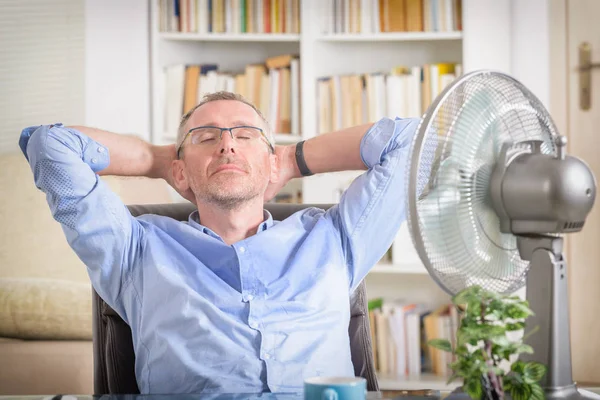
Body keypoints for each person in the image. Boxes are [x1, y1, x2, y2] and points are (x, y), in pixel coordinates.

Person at [19, 91, 420, 394]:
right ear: (179, 173)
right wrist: (162, 161)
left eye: (245, 136)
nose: (227, 145)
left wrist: (293, 159)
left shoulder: (335, 237)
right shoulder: (134, 250)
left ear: (270, 162)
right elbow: (50, 145)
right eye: (207, 137)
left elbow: (416, 140)